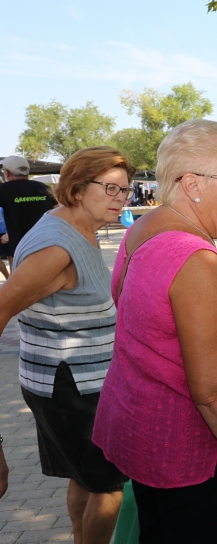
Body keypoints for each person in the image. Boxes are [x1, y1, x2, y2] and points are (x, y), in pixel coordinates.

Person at [92, 120, 217, 543]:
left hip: (152, 438)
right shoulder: (194, 259)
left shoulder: (146, 228)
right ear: (192, 184)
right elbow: (211, 391)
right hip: (192, 454)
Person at [0, 147, 135, 543]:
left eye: (124, 191)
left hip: (70, 383)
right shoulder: (56, 247)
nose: (121, 199)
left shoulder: (72, 228)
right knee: (110, 486)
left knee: (85, 476)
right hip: (72, 389)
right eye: (110, 188)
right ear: (76, 189)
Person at [0, 155, 58, 270]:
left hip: (21, 248)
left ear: (6, 173)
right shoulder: (44, 188)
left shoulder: (3, 190)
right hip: (48, 244)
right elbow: (58, 210)